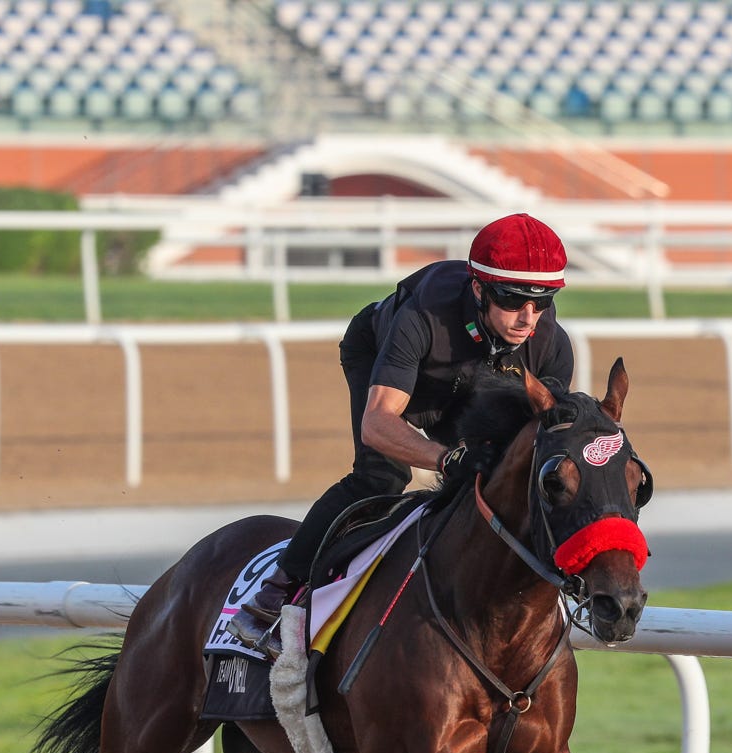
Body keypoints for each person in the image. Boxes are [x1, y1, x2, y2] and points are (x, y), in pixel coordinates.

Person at [228, 212, 576, 656]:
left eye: (542, 302)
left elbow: (546, 442)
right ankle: (276, 594)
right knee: (383, 477)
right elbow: (377, 424)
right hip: (384, 358)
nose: (528, 318)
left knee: (499, 472)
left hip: (470, 376)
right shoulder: (423, 317)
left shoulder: (550, 344)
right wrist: (447, 458)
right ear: (479, 289)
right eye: (513, 300)